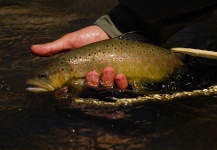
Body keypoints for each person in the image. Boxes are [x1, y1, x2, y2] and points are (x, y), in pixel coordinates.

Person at [31, 0, 217, 90]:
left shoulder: (69, 65)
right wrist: (120, 24)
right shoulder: (69, 64)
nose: (41, 79)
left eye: (44, 76)